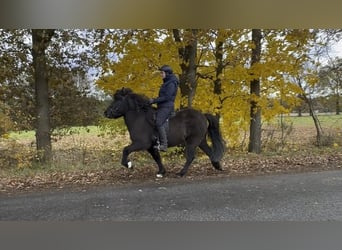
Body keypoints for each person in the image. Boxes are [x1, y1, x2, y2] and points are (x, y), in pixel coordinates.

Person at [149, 65, 179, 151]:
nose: (161, 75)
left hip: (167, 106)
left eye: (162, 73)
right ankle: (156, 140)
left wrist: (154, 100)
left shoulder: (171, 83)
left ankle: (164, 145)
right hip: (162, 106)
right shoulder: (167, 82)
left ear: (167, 73)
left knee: (159, 122)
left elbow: (167, 97)